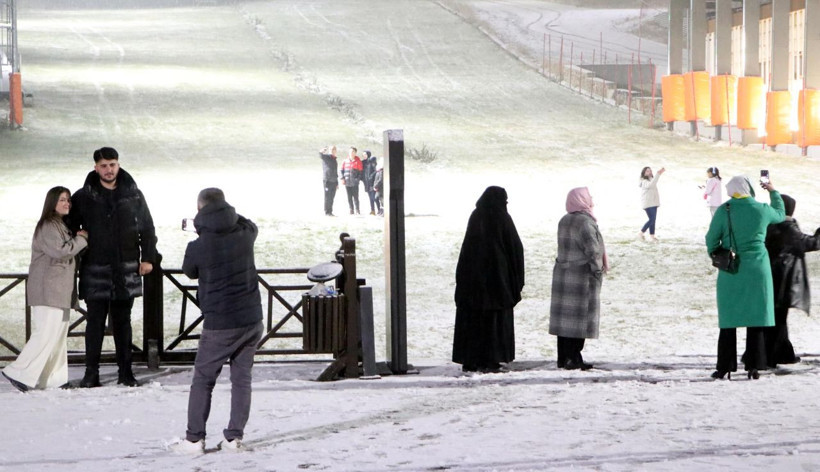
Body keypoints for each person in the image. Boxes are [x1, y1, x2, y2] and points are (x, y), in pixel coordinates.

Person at [172, 188, 264, 454]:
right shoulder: (245, 235)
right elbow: (249, 223)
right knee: (242, 380)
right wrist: (226, 217)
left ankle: (193, 440)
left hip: (221, 323)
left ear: (200, 210)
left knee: (203, 380)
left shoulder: (198, 246)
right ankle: (233, 439)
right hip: (251, 319)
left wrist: (203, 228)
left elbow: (189, 271)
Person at [69, 147, 157, 388]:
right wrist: (78, 237)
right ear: (96, 167)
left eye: (113, 164)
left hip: (126, 266)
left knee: (122, 322)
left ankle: (126, 372)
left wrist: (148, 258)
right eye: (104, 165)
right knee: (94, 322)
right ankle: (91, 373)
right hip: (94, 267)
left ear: (118, 165)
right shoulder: (83, 196)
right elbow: (68, 226)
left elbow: (147, 228)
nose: (109, 170)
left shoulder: (133, 194)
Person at [2, 187, 88, 392]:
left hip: (59, 290)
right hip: (48, 289)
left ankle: (53, 379)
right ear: (52, 203)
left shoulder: (58, 224)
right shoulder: (49, 226)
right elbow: (61, 252)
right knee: (46, 334)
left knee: (57, 336)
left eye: (68, 200)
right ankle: (18, 371)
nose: (67, 203)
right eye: (62, 200)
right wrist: (82, 239)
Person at [706, 176, 785, 380]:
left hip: (732, 269)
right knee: (756, 317)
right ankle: (754, 365)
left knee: (729, 319)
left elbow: (711, 239)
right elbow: (780, 214)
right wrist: (773, 191)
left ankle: (724, 366)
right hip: (758, 268)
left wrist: (718, 253)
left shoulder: (725, 210)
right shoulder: (761, 209)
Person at [452, 186, 524, 373]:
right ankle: (492, 358)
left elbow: (467, 249)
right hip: (497, 280)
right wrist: (515, 280)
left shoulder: (476, 216)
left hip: (472, 281)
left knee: (473, 319)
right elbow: (515, 249)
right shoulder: (502, 218)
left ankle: (471, 358)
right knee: (494, 321)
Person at [549, 187, 608, 370]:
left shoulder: (564, 220)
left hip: (563, 274)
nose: (591, 199)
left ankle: (564, 358)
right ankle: (574, 358)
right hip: (581, 278)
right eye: (588, 196)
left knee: (564, 322)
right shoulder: (585, 222)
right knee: (578, 320)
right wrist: (597, 271)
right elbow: (593, 250)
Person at [762, 194, 820, 366]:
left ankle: (781, 353)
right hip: (783, 280)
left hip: (769, 277)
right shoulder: (788, 227)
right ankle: (775, 355)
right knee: (779, 317)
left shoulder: (768, 225)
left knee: (773, 316)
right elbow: (811, 243)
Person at [639, 166, 665, 241]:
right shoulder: (644, 181)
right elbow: (651, 185)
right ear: (644, 173)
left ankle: (652, 236)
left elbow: (653, 183)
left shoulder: (651, 180)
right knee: (652, 219)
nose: (649, 172)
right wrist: (658, 174)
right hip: (648, 204)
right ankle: (641, 233)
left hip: (653, 203)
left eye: (650, 171)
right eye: (647, 171)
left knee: (653, 220)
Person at [340, 146, 363, 215]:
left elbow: (360, 172)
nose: (351, 153)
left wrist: (357, 180)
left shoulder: (358, 161)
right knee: (349, 197)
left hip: (355, 183)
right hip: (347, 182)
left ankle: (357, 210)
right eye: (350, 152)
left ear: (355, 153)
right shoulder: (345, 161)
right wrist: (342, 178)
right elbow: (341, 170)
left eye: (353, 152)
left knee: (355, 197)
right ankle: (351, 209)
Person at [319, 146, 338, 216]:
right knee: (327, 197)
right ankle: (327, 212)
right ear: (329, 150)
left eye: (334, 149)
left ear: (336, 151)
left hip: (334, 181)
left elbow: (335, 172)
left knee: (332, 197)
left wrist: (337, 183)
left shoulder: (335, 159)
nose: (333, 151)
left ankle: (330, 211)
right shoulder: (326, 157)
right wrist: (321, 151)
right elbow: (320, 155)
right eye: (331, 149)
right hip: (327, 181)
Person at [362, 150, 380, 215]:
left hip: (372, 182)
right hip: (366, 183)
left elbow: (376, 170)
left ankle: (379, 210)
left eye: (365, 155)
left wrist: (371, 177)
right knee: (370, 198)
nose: (364, 156)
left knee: (374, 197)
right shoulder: (363, 163)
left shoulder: (372, 161)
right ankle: (372, 210)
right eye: (363, 155)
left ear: (368, 155)